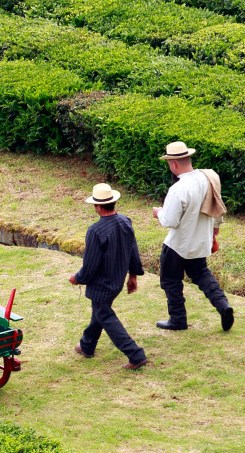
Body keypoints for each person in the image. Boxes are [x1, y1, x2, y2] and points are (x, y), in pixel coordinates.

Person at [153, 141, 234, 333]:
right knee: (202, 275)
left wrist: (158, 212)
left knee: (170, 281)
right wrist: (215, 228)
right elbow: (218, 207)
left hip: (178, 244)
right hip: (199, 241)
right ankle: (223, 305)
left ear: (173, 164)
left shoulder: (178, 189)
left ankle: (178, 319)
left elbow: (170, 221)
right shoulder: (208, 178)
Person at [69, 183, 148, 370]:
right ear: (113, 202)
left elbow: (90, 265)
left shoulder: (95, 231)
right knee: (99, 311)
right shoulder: (125, 221)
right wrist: (133, 276)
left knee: (105, 315)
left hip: (102, 284)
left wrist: (77, 278)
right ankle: (87, 346)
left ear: (97, 206)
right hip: (117, 281)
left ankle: (136, 355)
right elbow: (133, 251)